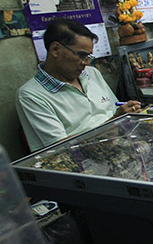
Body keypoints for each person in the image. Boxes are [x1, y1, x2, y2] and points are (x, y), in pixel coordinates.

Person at [16, 18, 140, 152]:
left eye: (88, 56)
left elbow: (115, 109)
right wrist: (113, 123)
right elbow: (61, 148)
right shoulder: (31, 95)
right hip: (81, 160)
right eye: (81, 55)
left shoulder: (92, 74)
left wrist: (127, 112)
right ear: (55, 49)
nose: (86, 63)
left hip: (117, 144)